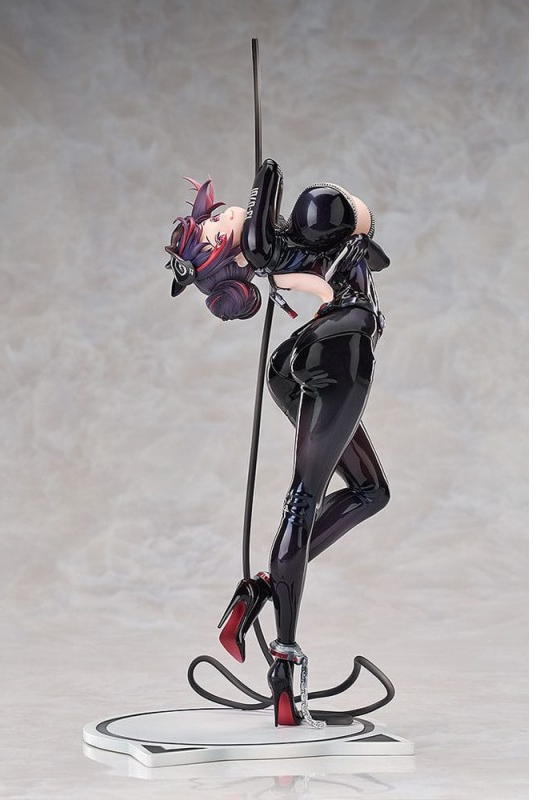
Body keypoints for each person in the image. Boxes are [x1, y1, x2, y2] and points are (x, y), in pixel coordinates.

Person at [165, 158, 391, 727]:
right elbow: (271, 188)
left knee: (369, 492)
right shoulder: (278, 237)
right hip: (339, 346)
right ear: (227, 250)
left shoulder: (290, 248)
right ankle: (285, 665)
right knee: (304, 501)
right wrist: (263, 188)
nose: (219, 216)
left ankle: (261, 591)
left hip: (302, 355)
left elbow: (366, 246)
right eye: (213, 227)